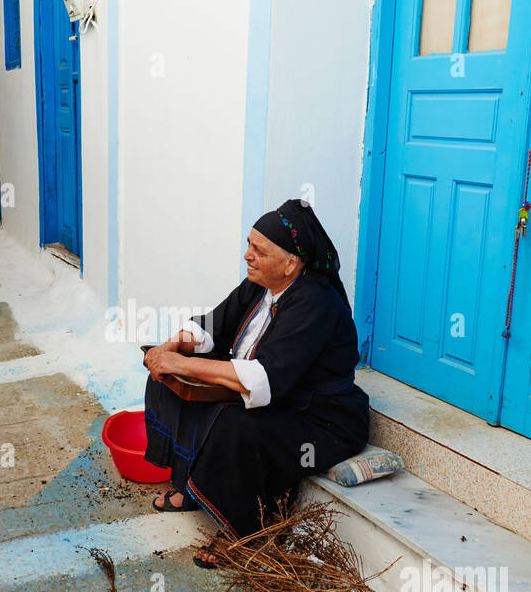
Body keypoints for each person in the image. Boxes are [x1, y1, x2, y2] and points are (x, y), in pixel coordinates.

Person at [142, 199, 369, 567]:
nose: (247, 255)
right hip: (278, 399)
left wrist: (182, 361)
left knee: (236, 426)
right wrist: (168, 350)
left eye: (258, 250)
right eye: (249, 244)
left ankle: (246, 533)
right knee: (166, 379)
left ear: (291, 263)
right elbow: (209, 327)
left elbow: (264, 378)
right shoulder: (261, 284)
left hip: (321, 419)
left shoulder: (315, 302)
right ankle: (189, 487)